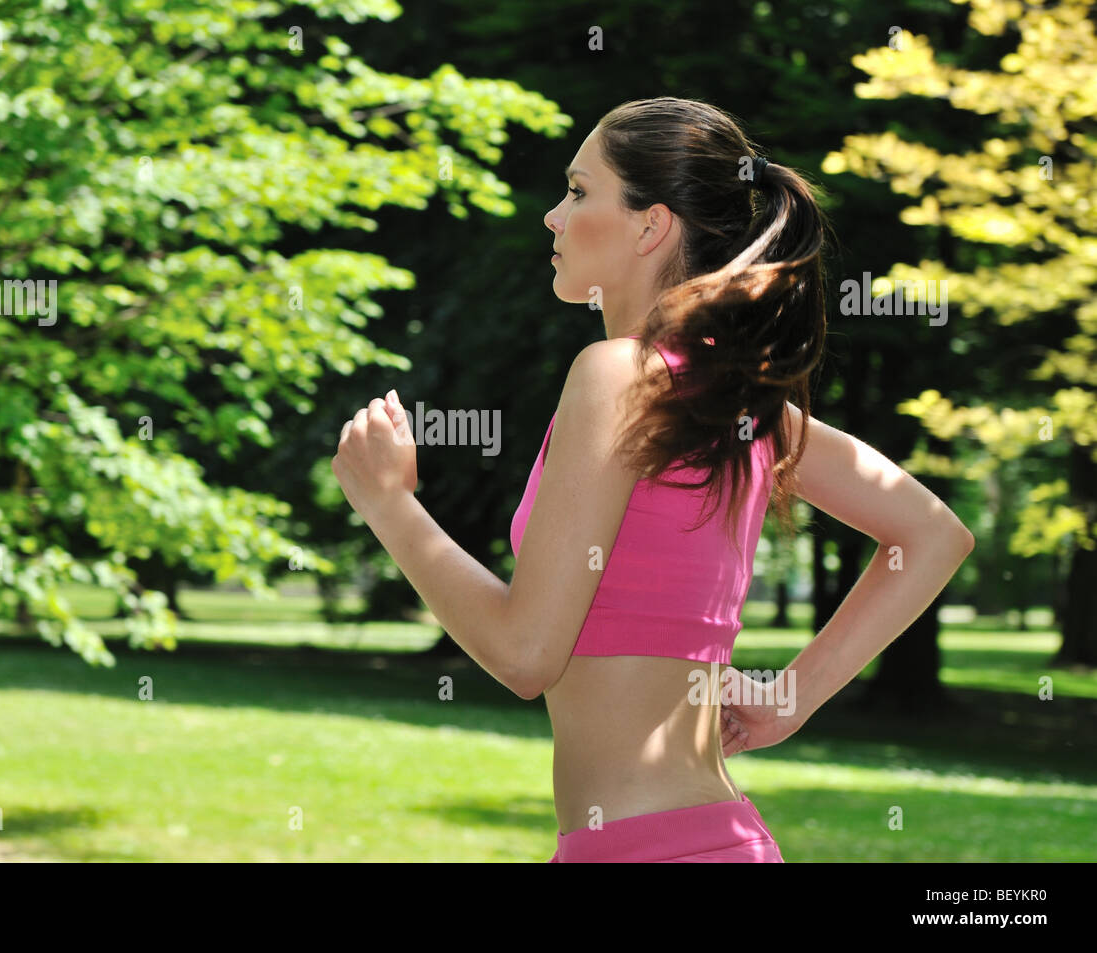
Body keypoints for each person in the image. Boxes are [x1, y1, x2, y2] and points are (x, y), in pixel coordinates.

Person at [330, 96, 975, 862]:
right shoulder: (733, 402)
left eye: (577, 191)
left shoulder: (618, 376)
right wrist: (791, 696)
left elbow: (526, 652)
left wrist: (389, 503)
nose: (552, 217)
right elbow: (932, 532)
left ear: (650, 224)